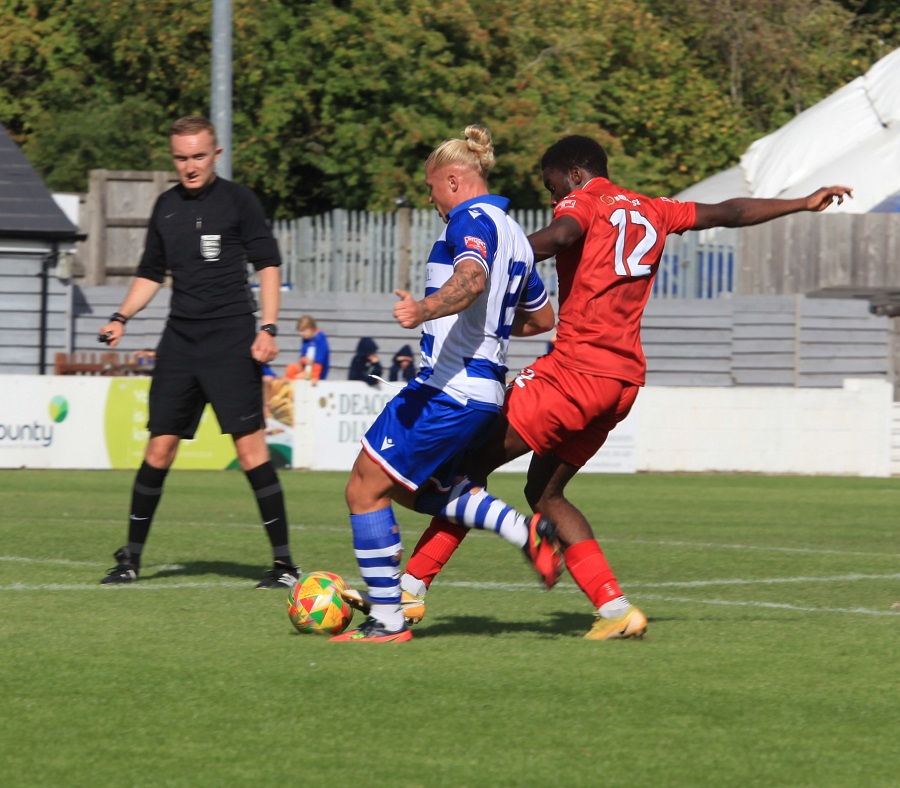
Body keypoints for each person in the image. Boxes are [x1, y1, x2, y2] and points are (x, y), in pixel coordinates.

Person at [397, 134, 854, 639]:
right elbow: (729, 211)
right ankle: (616, 610)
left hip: (574, 372)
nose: (553, 200)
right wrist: (802, 201)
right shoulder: (653, 208)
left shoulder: (583, 200)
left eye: (552, 188)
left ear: (573, 174)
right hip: (622, 382)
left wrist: (507, 251)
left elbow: (564, 234)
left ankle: (410, 590)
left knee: (464, 469)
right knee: (545, 492)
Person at [329, 124, 557, 643]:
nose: (432, 199)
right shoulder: (518, 236)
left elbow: (471, 278)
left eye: (432, 187)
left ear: (453, 180)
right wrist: (485, 326)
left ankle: (387, 620)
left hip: (447, 388)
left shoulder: (468, 220)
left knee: (364, 489)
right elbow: (542, 320)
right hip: (484, 392)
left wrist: (424, 310)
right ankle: (524, 531)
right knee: (421, 491)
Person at [96, 115, 300, 589]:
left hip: (232, 339)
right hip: (180, 343)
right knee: (160, 448)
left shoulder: (239, 201)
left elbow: (268, 264)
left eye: (198, 156)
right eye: (181, 157)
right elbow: (150, 273)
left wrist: (268, 328)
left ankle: (285, 566)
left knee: (251, 452)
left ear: (215, 154)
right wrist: (120, 318)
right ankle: (130, 559)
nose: (189, 165)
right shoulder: (166, 206)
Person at [286, 314, 329, 383]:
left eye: (303, 331)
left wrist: (315, 377)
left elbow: (320, 360)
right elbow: (302, 356)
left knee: (296, 378)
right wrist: (304, 360)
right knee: (290, 368)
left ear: (310, 328)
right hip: (306, 368)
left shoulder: (320, 338)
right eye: (300, 331)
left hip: (316, 371)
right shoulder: (306, 339)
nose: (301, 334)